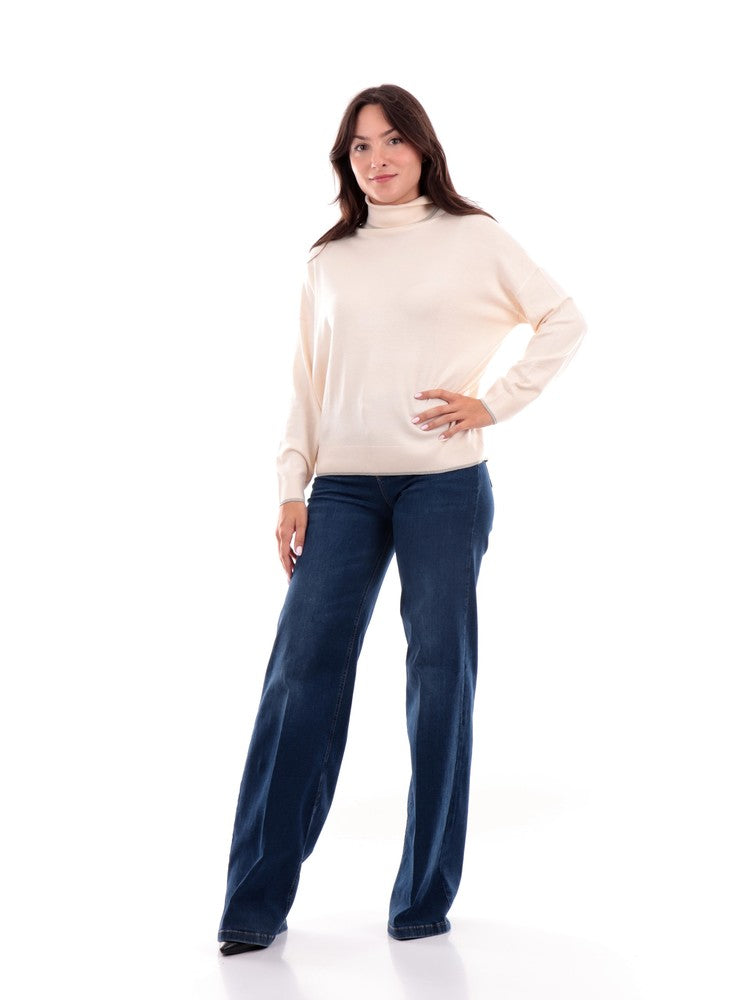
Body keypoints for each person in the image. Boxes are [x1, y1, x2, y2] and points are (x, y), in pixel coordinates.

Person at [217, 83, 587, 955]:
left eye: (392, 141)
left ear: (423, 147)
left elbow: (563, 319)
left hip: (443, 486)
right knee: (299, 677)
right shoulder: (329, 259)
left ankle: (423, 898)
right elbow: (307, 379)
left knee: (439, 677)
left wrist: (493, 403)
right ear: (345, 161)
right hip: (344, 487)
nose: (377, 159)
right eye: (360, 146)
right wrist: (291, 483)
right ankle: (253, 902)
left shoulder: (473, 237)